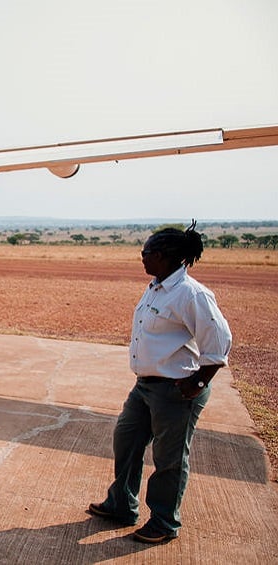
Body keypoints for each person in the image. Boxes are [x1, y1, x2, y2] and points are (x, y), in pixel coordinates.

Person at [88, 221, 232, 544]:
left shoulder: (191, 294)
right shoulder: (157, 285)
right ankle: (121, 504)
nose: (142, 257)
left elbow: (219, 341)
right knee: (126, 440)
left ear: (166, 256)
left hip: (175, 389)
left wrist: (197, 383)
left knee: (169, 459)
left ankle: (164, 522)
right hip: (145, 386)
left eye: (147, 252)